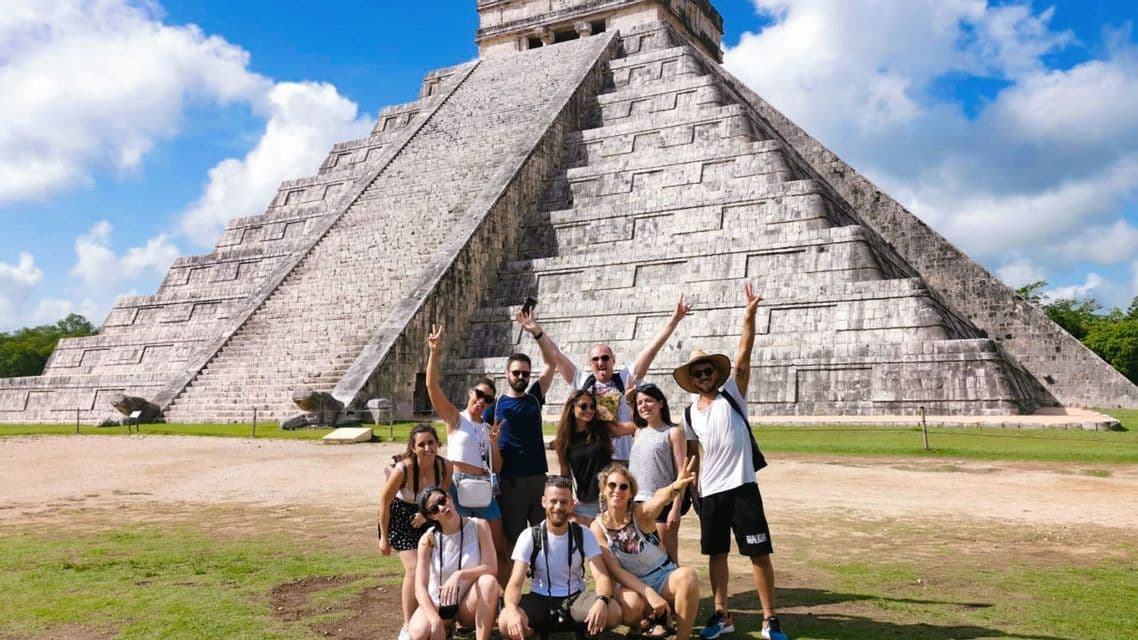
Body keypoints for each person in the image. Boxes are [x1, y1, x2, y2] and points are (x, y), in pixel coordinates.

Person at [674, 283, 787, 640]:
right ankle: (722, 614)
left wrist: (749, 315)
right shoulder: (690, 413)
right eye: (699, 373)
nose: (705, 376)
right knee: (716, 555)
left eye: (708, 371)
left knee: (759, 553)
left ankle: (770, 618)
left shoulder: (733, 394)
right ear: (692, 380)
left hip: (742, 486)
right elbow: (692, 454)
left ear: (716, 374)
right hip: (712, 492)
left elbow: (743, 353)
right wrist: (692, 487)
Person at [552, 295, 693, 464]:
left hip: (622, 458)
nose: (600, 362)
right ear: (589, 363)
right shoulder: (583, 381)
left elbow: (652, 349)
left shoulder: (625, 379)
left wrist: (674, 320)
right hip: (592, 458)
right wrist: (535, 331)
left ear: (613, 360)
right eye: (595, 359)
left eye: (605, 358)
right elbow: (555, 355)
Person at [425, 324, 510, 584]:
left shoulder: (487, 428)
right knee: (459, 547)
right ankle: (456, 599)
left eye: (488, 399)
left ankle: (503, 601)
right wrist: (434, 352)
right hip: (458, 485)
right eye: (479, 395)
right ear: (470, 393)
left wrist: (494, 443)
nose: (482, 401)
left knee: (499, 548)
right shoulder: (455, 419)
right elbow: (431, 387)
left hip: (484, 487)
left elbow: (497, 466)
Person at [498, 476, 627, 640]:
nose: (558, 507)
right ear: (544, 502)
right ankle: (536, 634)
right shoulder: (529, 536)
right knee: (504, 621)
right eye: (553, 501)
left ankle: (587, 632)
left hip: (576, 598)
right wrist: (511, 610)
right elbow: (515, 584)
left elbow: (601, 577)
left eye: (564, 502)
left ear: (571, 504)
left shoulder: (583, 533)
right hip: (540, 599)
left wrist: (601, 602)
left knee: (614, 611)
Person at [591, 461, 699, 639]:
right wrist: (648, 593)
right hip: (630, 584)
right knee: (631, 605)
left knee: (687, 576)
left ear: (631, 493)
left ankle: (682, 636)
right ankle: (640, 626)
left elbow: (658, 499)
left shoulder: (640, 514)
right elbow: (615, 571)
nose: (617, 490)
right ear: (603, 489)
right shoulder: (597, 527)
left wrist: (675, 487)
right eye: (612, 485)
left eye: (623, 487)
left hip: (663, 577)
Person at [484, 308, 562, 545]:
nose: (521, 377)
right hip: (510, 483)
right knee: (515, 543)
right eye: (516, 372)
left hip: (538, 479)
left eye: (525, 373)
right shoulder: (494, 406)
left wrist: (536, 332)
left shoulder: (534, 397)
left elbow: (551, 362)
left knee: (544, 539)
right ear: (507, 374)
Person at [378, 424, 454, 640]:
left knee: (436, 566)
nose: (427, 448)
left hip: (428, 515)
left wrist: (426, 515)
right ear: (413, 446)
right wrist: (384, 537)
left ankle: (441, 619)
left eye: (431, 442)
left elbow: (443, 495)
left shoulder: (445, 466)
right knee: (413, 569)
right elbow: (384, 501)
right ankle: (407, 624)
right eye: (421, 444)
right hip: (401, 517)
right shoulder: (404, 469)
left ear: (438, 443)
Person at [407, 486, 501, 640]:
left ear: (449, 498)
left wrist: (459, 575)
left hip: (466, 606)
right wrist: (434, 620)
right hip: (437, 605)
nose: (442, 508)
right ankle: (444, 627)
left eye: (442, 501)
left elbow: (491, 568)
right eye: (434, 509)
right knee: (418, 633)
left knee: (489, 581)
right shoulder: (428, 540)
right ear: (431, 517)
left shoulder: (479, 526)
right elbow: (419, 587)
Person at [627, 382, 690, 563]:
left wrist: (676, 509)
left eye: (649, 401)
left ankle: (677, 591)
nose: (644, 406)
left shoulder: (673, 432)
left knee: (667, 557)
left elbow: (681, 474)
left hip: (663, 502)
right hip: (638, 503)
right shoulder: (639, 432)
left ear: (660, 403)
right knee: (644, 558)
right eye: (639, 403)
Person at [553, 389, 635, 524]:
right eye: (583, 406)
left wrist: (630, 403)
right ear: (572, 408)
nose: (589, 410)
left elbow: (634, 426)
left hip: (611, 497)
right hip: (587, 503)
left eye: (592, 406)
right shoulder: (564, 440)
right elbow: (565, 475)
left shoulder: (601, 429)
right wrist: (566, 503)